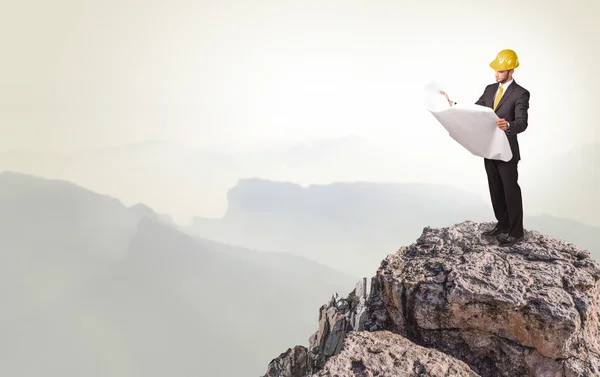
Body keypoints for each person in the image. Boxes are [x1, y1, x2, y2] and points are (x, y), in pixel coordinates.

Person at [440, 49, 530, 246]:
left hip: (506, 150)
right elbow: (476, 111)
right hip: (489, 148)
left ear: (511, 71)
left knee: (510, 190)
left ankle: (516, 232)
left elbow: (522, 122)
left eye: (500, 70)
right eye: (495, 70)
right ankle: (503, 224)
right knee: (495, 189)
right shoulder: (490, 90)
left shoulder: (521, 94)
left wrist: (509, 125)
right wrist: (452, 105)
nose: (496, 74)